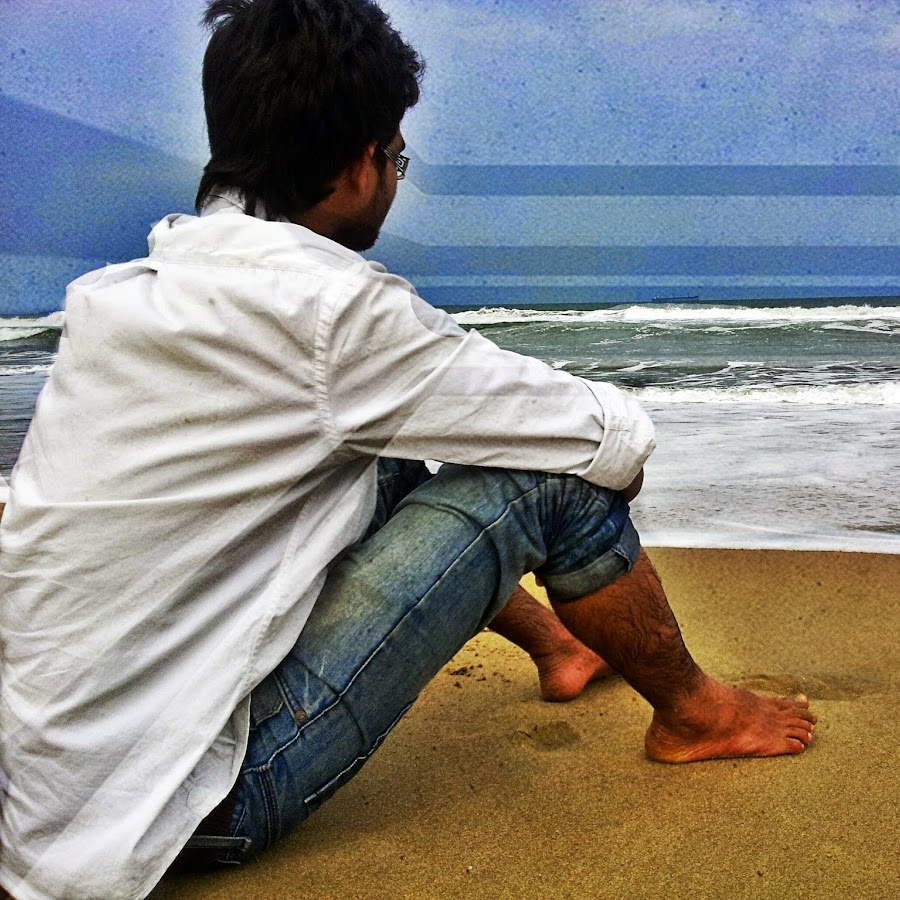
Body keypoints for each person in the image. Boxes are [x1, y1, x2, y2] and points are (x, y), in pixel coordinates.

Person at [0, 1, 816, 897]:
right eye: (397, 157)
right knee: (549, 487)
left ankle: (560, 645)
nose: (395, 177)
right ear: (361, 166)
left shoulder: (123, 293)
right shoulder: (330, 309)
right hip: (182, 803)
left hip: (45, 784)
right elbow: (609, 442)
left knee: (369, 458)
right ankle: (696, 716)